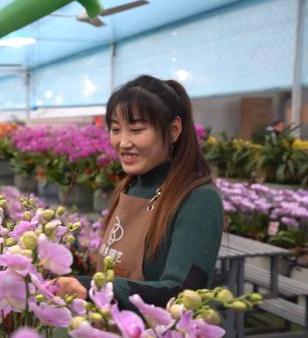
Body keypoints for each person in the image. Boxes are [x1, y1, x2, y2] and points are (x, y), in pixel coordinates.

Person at [54, 75, 224, 310]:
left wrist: (89, 287)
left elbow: (182, 293)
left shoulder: (199, 200)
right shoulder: (129, 187)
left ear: (173, 130)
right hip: (107, 333)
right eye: (115, 129)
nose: (123, 142)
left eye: (136, 129)